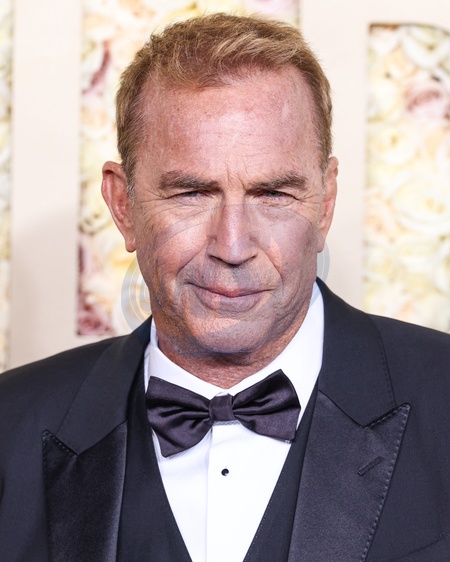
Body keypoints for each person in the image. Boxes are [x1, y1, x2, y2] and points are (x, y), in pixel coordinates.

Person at [1, 13, 450, 562]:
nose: (233, 246)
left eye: (272, 194)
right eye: (192, 194)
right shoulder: (9, 426)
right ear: (122, 206)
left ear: (325, 202)